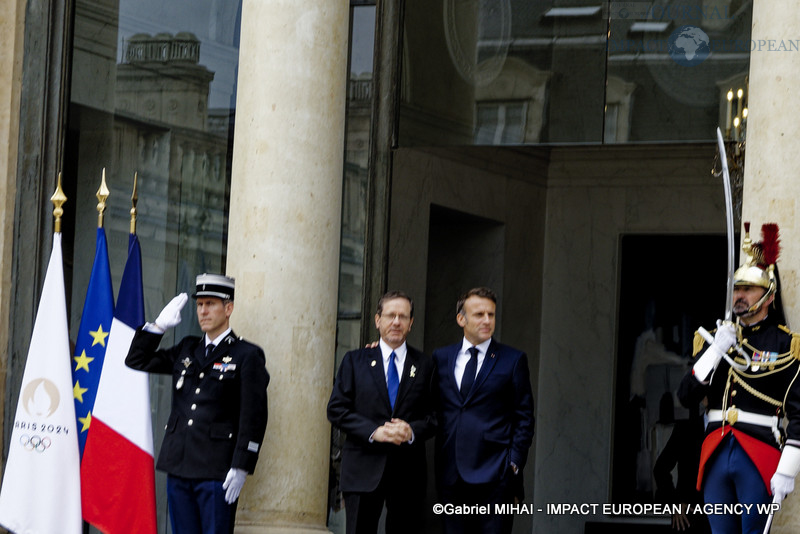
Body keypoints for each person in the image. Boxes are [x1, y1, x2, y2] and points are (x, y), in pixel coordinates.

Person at [678, 223, 800, 534]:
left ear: (768, 297)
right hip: (715, 450)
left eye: (748, 289)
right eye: (736, 289)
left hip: (758, 454)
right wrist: (717, 350)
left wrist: (787, 469)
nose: (739, 296)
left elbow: (799, 413)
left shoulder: (785, 345)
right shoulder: (715, 340)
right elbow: (686, 397)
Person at [126, 273, 269, 534]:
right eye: (200, 304)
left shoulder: (246, 355)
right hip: (179, 463)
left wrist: (241, 465)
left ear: (228, 308)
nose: (203, 311)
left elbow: (254, 416)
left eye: (210, 304)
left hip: (216, 469)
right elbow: (137, 360)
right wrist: (157, 327)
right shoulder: (187, 348)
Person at [327, 290, 437, 534]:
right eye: (390, 315)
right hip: (363, 468)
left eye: (403, 316)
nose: (396, 322)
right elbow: (336, 409)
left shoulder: (425, 365)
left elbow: (435, 417)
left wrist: (410, 431)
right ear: (378, 320)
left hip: (408, 474)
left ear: (411, 323)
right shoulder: (355, 361)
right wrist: (373, 431)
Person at [433, 287, 535, 534]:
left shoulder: (513, 360)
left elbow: (525, 417)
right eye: (479, 314)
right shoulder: (440, 358)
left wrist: (513, 463)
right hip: (451, 475)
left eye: (491, 314)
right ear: (461, 319)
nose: (487, 320)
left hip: (496, 476)